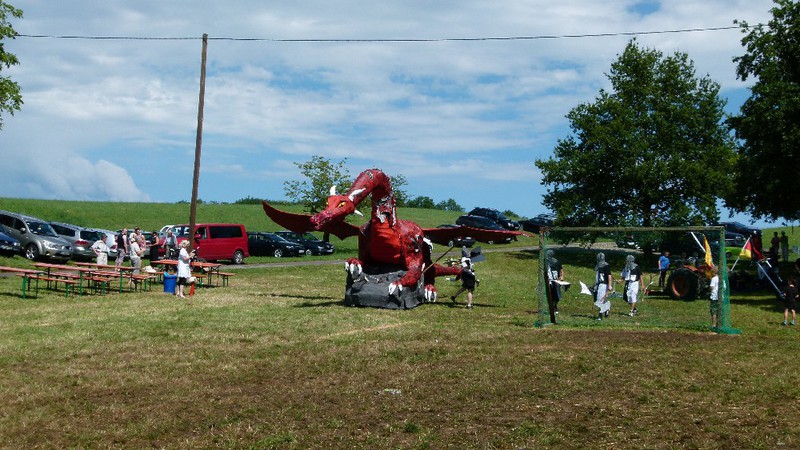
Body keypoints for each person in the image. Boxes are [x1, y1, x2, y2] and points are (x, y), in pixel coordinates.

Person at [594, 252, 613, 320]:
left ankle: (600, 316)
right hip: (599, 284)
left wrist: (610, 285)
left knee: (600, 300)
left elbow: (609, 276)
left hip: (604, 285)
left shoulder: (606, 266)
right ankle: (606, 308)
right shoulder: (598, 266)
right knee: (598, 299)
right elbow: (598, 276)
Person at [546, 249, 565, 315]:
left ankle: (555, 306)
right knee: (550, 294)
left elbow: (561, 270)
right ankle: (551, 308)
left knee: (557, 295)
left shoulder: (557, 262)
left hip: (556, 281)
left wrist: (562, 277)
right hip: (549, 281)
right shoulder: (545, 263)